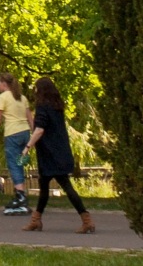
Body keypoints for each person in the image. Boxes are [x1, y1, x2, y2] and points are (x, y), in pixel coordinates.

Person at [21, 77, 94, 234]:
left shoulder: (42, 107)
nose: (35, 91)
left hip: (49, 155)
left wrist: (27, 147)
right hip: (60, 151)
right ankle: (36, 220)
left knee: (64, 187)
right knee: (45, 188)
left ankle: (86, 219)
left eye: (36, 89)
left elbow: (39, 130)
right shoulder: (58, 106)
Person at [0, 72, 32, 215]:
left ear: (3, 83)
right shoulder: (22, 98)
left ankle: (21, 197)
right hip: (25, 134)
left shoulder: (2, 98)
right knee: (20, 164)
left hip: (12, 134)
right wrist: (33, 138)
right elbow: (30, 119)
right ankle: (21, 194)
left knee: (14, 165)